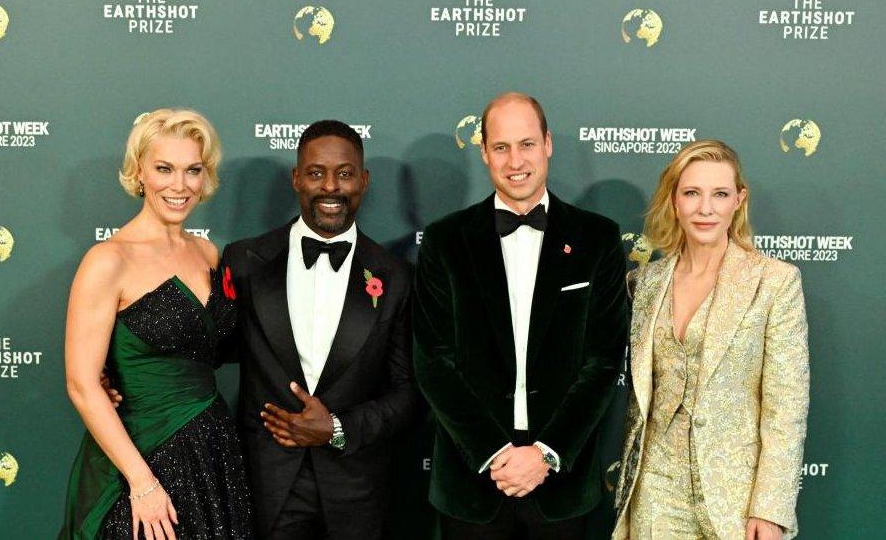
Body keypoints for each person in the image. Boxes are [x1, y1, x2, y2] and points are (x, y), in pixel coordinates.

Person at [413, 92, 629, 539]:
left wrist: (545, 453)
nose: (516, 161)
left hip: (562, 485)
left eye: (527, 144)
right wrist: (496, 454)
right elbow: (433, 361)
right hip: (473, 483)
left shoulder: (597, 238)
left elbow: (604, 360)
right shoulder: (445, 241)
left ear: (548, 144)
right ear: (484, 152)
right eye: (501, 147)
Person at [218, 120, 421, 539]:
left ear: (363, 181)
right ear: (296, 178)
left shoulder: (397, 276)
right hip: (266, 485)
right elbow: (206, 349)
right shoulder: (244, 262)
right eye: (316, 173)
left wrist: (338, 428)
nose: (331, 187)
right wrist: (126, 374)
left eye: (345, 173)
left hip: (358, 489)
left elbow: (408, 393)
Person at [60, 109, 252, 539]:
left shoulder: (207, 253)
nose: (179, 186)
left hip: (212, 452)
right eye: (164, 169)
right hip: (139, 458)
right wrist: (142, 484)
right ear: (139, 171)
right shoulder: (108, 260)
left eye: (192, 170)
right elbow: (82, 384)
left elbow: (214, 350)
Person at [612, 140, 809, 540]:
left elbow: (786, 409)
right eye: (692, 193)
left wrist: (770, 509)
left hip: (734, 496)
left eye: (719, 194)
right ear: (674, 200)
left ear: (739, 200)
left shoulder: (774, 282)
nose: (705, 208)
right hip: (655, 489)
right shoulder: (646, 282)